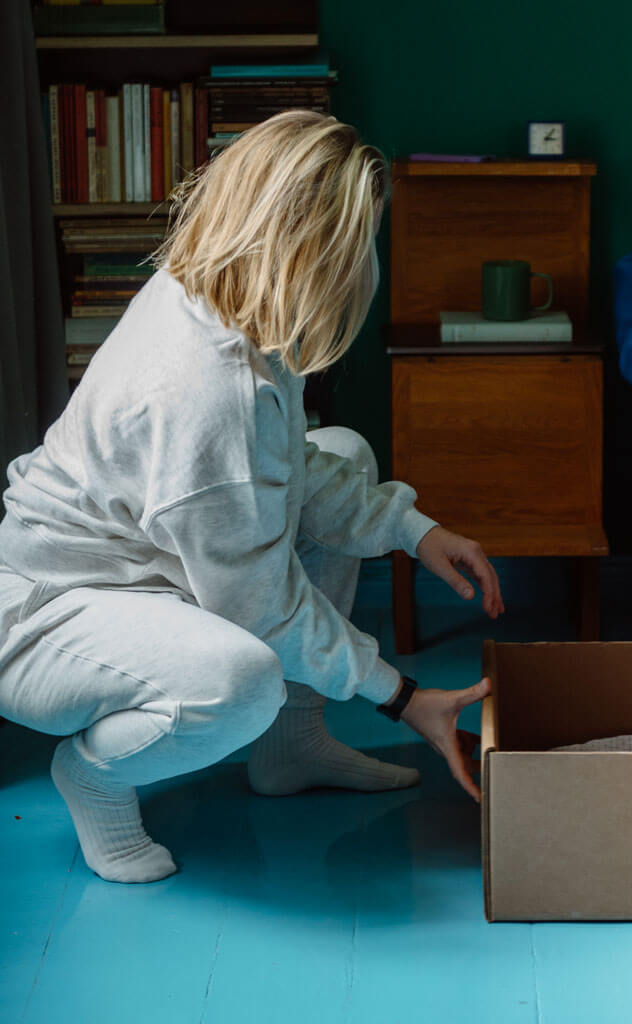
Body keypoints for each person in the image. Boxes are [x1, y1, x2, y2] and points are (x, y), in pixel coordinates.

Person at [0, 111, 504, 884]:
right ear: (314, 252)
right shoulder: (202, 392)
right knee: (239, 679)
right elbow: (261, 609)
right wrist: (402, 695)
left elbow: (286, 466)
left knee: (346, 453)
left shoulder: (219, 298)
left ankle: (291, 747)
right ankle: (97, 777)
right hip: (47, 618)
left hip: (145, 563)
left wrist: (411, 529)